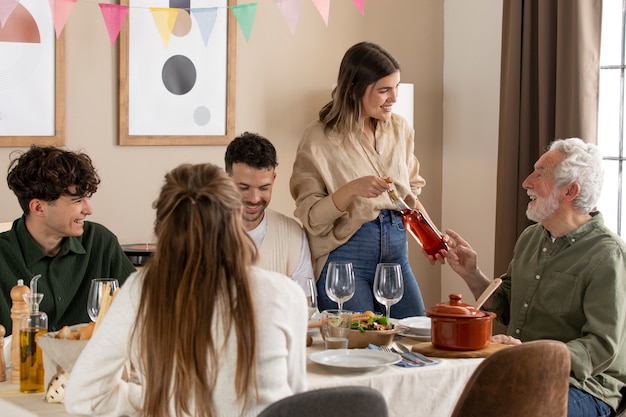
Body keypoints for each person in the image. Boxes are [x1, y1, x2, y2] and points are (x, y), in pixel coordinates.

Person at [65, 163, 308, 417]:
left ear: (163, 224)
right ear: (237, 213)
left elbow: (83, 397)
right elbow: (294, 405)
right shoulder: (285, 294)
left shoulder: (142, 290)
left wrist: (158, 401)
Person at [445, 138, 626, 417]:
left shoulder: (608, 255)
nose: (526, 182)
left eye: (540, 174)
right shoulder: (531, 237)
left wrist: (533, 356)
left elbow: (600, 347)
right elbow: (504, 303)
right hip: (519, 372)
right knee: (443, 394)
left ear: (570, 191)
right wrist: (472, 273)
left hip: (584, 389)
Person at [290, 41, 445, 318]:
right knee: (362, 349)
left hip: (396, 252)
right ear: (353, 89)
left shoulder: (400, 129)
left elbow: (409, 196)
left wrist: (432, 236)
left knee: (416, 339)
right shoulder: (318, 138)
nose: (394, 98)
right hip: (346, 257)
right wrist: (351, 190)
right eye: (384, 90)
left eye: (396, 87)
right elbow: (311, 218)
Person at [0, 145, 135, 335]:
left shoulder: (100, 242)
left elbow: (141, 310)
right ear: (38, 208)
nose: (88, 210)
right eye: (77, 200)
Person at [225, 132, 315, 292]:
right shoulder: (204, 230)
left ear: (273, 179)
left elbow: (306, 307)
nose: (254, 198)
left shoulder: (292, 234)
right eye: (244, 188)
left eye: (263, 188)